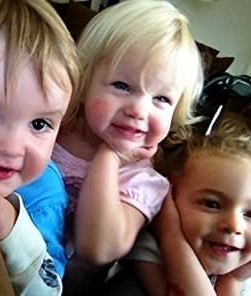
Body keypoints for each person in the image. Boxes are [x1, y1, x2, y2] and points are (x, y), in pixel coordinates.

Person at [50, 0, 203, 294]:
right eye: (122, 85)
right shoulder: (53, 129)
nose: (139, 109)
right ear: (83, 81)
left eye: (161, 99)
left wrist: (110, 156)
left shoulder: (143, 181)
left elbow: (97, 249)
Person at [0, 0, 79, 294]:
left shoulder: (42, 195)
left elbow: (49, 291)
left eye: (40, 124)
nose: (13, 147)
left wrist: (12, 231)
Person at [119, 108, 251, 295]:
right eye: (212, 204)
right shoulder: (149, 248)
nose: (233, 225)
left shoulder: (248, 268)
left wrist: (233, 280)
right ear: (170, 200)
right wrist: (170, 233)